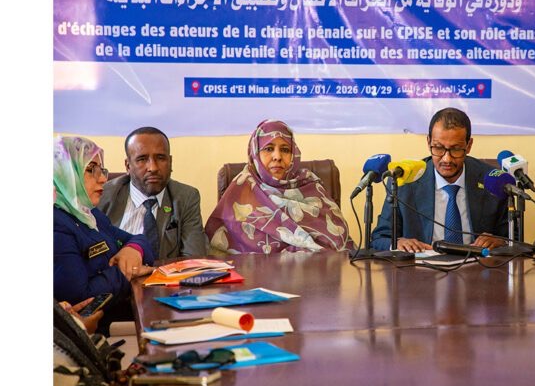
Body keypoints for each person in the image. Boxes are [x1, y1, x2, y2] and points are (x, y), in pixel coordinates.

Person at [53, 136, 155, 334]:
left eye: (102, 170)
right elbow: (82, 298)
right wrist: (127, 271)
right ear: (65, 172)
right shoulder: (55, 224)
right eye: (91, 170)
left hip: (121, 317)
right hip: (97, 333)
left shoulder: (89, 214)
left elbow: (139, 239)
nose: (102, 179)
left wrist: (133, 249)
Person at [205, 119, 354, 254]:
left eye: (285, 150)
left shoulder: (310, 184)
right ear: (255, 153)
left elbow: (338, 239)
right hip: (253, 273)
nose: (277, 156)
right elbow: (220, 245)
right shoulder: (241, 187)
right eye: (269, 149)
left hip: (314, 271)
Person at [371, 107, 508, 252]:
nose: (446, 159)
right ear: (428, 142)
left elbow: (514, 239)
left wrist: (501, 242)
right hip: (420, 264)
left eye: (456, 149)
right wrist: (397, 243)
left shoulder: (493, 181)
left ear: (468, 146)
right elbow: (379, 238)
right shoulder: (404, 180)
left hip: (477, 263)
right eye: (438, 148)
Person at [98, 127, 208, 259]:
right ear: (128, 166)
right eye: (142, 159)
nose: (153, 168)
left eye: (160, 158)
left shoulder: (186, 197)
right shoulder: (103, 195)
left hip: (166, 272)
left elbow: (194, 259)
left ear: (170, 162)